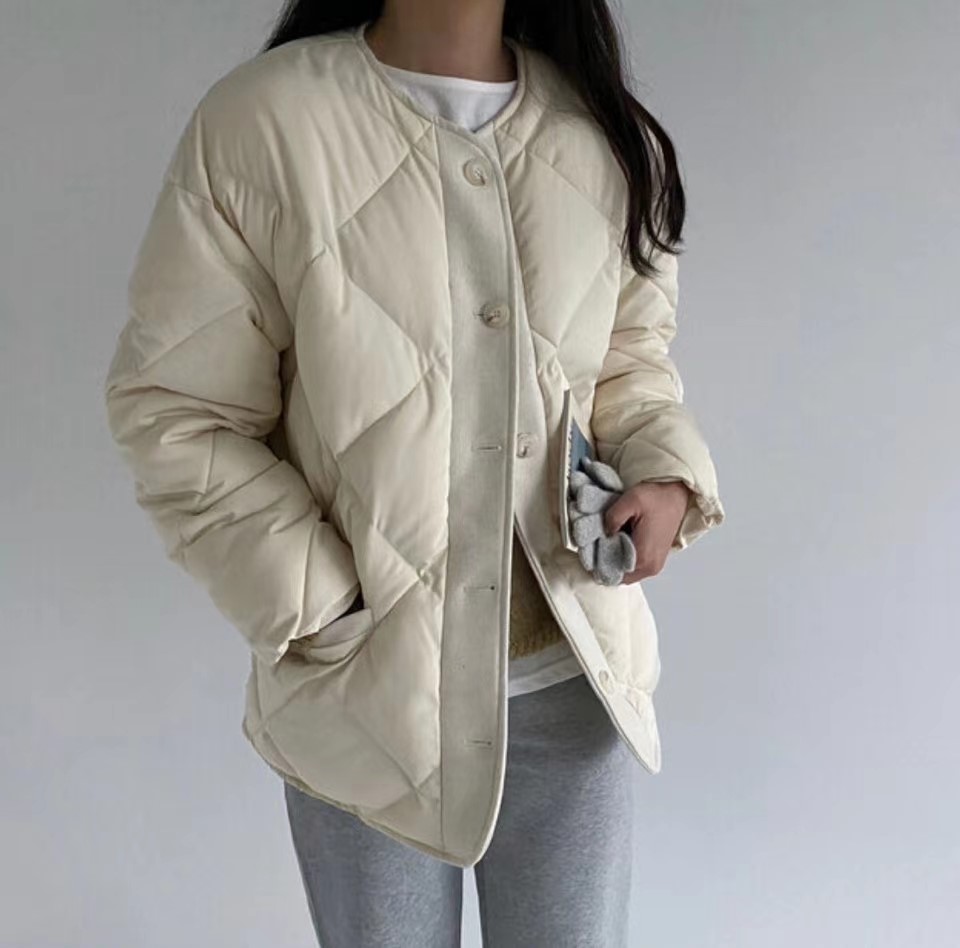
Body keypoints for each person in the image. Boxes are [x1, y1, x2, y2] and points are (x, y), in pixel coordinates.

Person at [103, 1, 725, 944]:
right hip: (367, 704)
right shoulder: (263, 122)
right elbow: (178, 409)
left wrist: (665, 474)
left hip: (577, 691)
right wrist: (320, 603)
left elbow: (628, 364)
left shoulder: (599, 130)